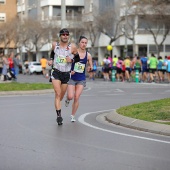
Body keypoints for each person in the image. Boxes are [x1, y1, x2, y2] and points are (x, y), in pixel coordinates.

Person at [48, 28, 80, 125]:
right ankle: (59, 116)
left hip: (66, 74)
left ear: (68, 36)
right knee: (57, 94)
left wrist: (71, 60)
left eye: (67, 34)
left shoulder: (72, 47)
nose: (65, 36)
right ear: (60, 36)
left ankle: (59, 104)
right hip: (56, 72)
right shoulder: (55, 45)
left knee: (61, 96)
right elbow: (52, 53)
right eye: (63, 34)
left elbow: (78, 58)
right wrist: (50, 60)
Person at [65, 36, 93, 122]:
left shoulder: (88, 55)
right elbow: (66, 61)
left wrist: (89, 68)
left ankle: (72, 115)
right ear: (79, 43)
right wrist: (69, 66)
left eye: (85, 43)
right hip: (72, 77)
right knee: (71, 96)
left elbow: (90, 65)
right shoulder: (74, 52)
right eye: (82, 42)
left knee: (77, 97)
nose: (84, 44)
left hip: (81, 78)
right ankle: (67, 99)